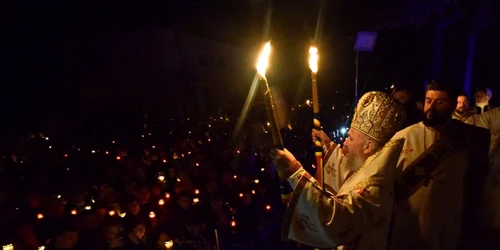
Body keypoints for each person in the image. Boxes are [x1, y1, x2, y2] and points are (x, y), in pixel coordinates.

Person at [270, 91, 406, 249]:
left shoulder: (374, 187)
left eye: (350, 138)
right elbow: (348, 172)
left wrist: (294, 170)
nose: (345, 142)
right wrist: (327, 144)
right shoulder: (368, 169)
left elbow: (335, 222)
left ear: (368, 147)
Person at [389, 80, 490, 250]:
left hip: (446, 225)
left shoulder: (466, 140)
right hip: (409, 225)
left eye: (439, 102)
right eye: (429, 101)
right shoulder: (404, 136)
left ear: (451, 105)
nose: (431, 107)